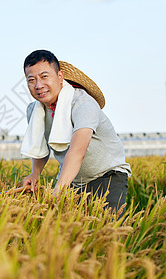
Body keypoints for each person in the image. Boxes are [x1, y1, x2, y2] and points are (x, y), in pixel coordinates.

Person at [21, 49, 131, 215]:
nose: (38, 85)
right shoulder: (35, 111)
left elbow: (77, 150)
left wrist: (58, 190)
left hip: (107, 176)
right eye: (31, 80)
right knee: (65, 231)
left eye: (44, 77)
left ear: (60, 77)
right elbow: (40, 145)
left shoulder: (83, 103)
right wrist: (35, 173)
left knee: (107, 232)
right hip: (73, 179)